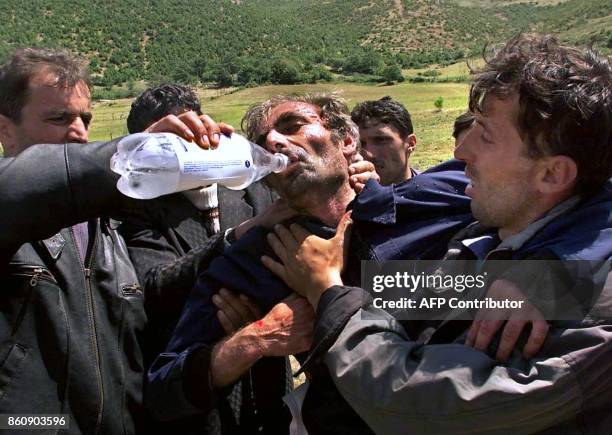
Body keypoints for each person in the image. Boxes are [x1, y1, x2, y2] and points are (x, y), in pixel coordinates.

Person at [263, 34, 612, 434]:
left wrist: (327, 292)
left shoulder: (591, 314)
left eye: (486, 134)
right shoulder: (491, 237)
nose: (461, 152)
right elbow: (417, 295)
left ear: (552, 174)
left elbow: (415, 403)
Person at [146, 92, 482, 432]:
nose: (275, 141)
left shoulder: (434, 199)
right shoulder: (258, 257)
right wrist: (253, 341)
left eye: (293, 125)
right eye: (263, 143)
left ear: (348, 140)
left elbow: (528, 220)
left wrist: (524, 286)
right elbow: (164, 389)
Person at [0, 48, 223, 434]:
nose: (78, 132)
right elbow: (28, 184)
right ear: (4, 130)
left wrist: (244, 237)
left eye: (84, 118)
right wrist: (131, 153)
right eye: (58, 118)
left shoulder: (113, 228)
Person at [350, 96, 418, 185]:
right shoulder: (346, 197)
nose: (368, 154)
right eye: (361, 144)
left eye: (380, 140)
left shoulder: (434, 194)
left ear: (410, 143)